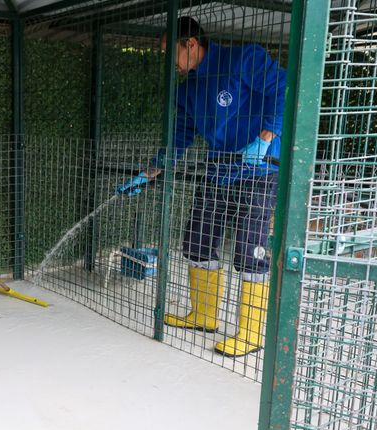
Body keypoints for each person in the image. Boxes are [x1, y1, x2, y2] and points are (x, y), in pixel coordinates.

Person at [117, 17, 286, 357]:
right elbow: (179, 136)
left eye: (171, 53)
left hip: (259, 167)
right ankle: (204, 316)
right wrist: (150, 172)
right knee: (196, 242)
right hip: (219, 168)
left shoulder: (243, 59)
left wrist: (265, 139)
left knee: (248, 251)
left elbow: (283, 89)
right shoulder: (188, 89)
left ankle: (252, 334)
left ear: (191, 44)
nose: (169, 63)